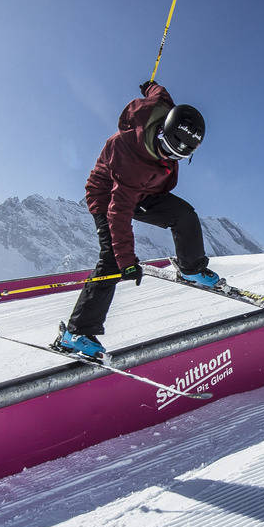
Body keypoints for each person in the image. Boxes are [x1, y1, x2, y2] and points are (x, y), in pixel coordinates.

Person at [54, 80, 220, 359]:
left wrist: (151, 86)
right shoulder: (128, 154)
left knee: (184, 215)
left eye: (178, 156)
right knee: (111, 262)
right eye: (166, 150)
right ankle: (76, 333)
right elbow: (118, 214)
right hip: (109, 196)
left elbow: (159, 94)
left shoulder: (162, 108)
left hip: (146, 190)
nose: (168, 157)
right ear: (161, 134)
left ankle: (191, 268)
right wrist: (127, 262)